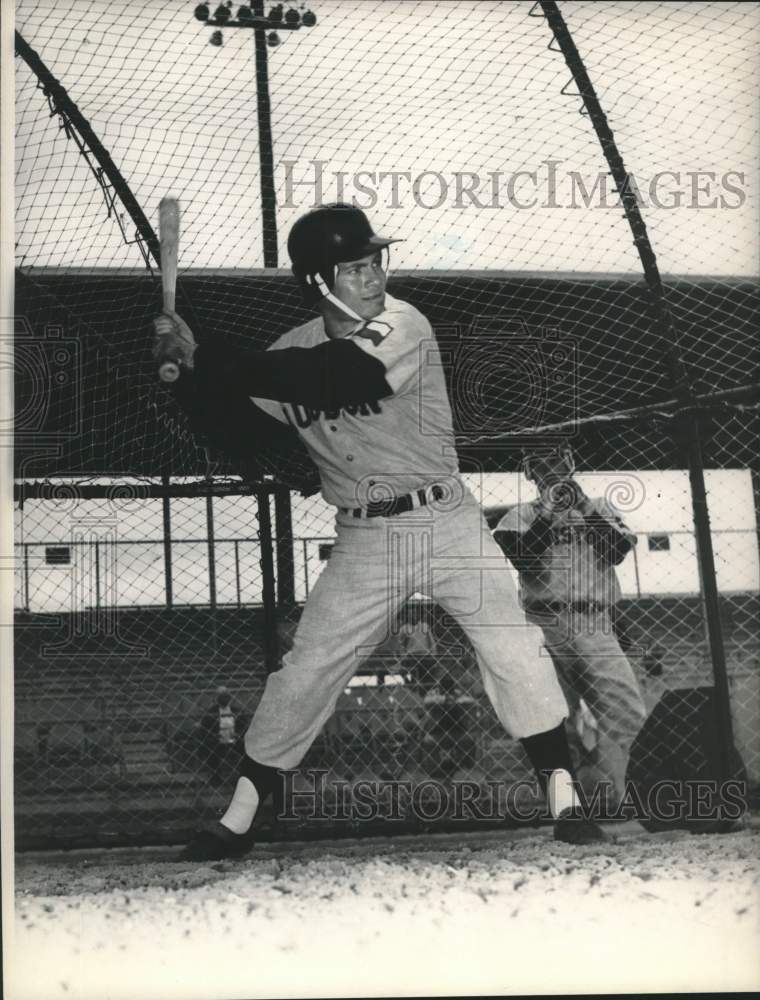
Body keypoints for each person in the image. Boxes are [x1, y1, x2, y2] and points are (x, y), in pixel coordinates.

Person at [154, 203, 604, 859]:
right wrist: (185, 378)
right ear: (317, 282)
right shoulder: (288, 352)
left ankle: (564, 797)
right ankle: (242, 816)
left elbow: (340, 377)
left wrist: (210, 355)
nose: (372, 276)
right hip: (364, 538)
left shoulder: (403, 323)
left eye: (374, 262)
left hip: (444, 521)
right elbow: (236, 430)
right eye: (354, 268)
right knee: (307, 666)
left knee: (511, 644)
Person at [491, 443, 648, 805]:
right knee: (555, 720)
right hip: (543, 623)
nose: (550, 468)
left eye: (556, 459)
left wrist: (582, 506)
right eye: (540, 462)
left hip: (594, 621)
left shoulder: (600, 507)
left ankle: (642, 795)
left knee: (627, 712)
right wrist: (549, 509)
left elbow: (617, 551)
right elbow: (525, 560)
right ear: (529, 472)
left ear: (570, 462)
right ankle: (571, 810)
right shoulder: (519, 515)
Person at [199, 685, 244, 784]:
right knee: (210, 747)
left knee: (246, 747)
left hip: (235, 739)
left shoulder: (236, 710)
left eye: (226, 696)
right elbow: (204, 728)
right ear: (217, 698)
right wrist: (213, 735)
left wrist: (238, 735)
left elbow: (244, 726)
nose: (224, 699)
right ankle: (216, 777)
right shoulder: (211, 712)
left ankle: (243, 776)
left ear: (229, 697)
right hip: (217, 740)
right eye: (221, 696)